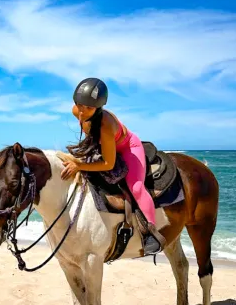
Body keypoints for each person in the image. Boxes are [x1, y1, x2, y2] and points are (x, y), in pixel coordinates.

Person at [60, 77, 162, 254]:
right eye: (80, 105)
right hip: (103, 145)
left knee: (136, 188)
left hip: (127, 148)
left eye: (89, 108)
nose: (82, 111)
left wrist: (79, 165)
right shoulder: (76, 110)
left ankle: (151, 231)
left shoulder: (106, 125)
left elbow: (108, 163)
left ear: (99, 107)